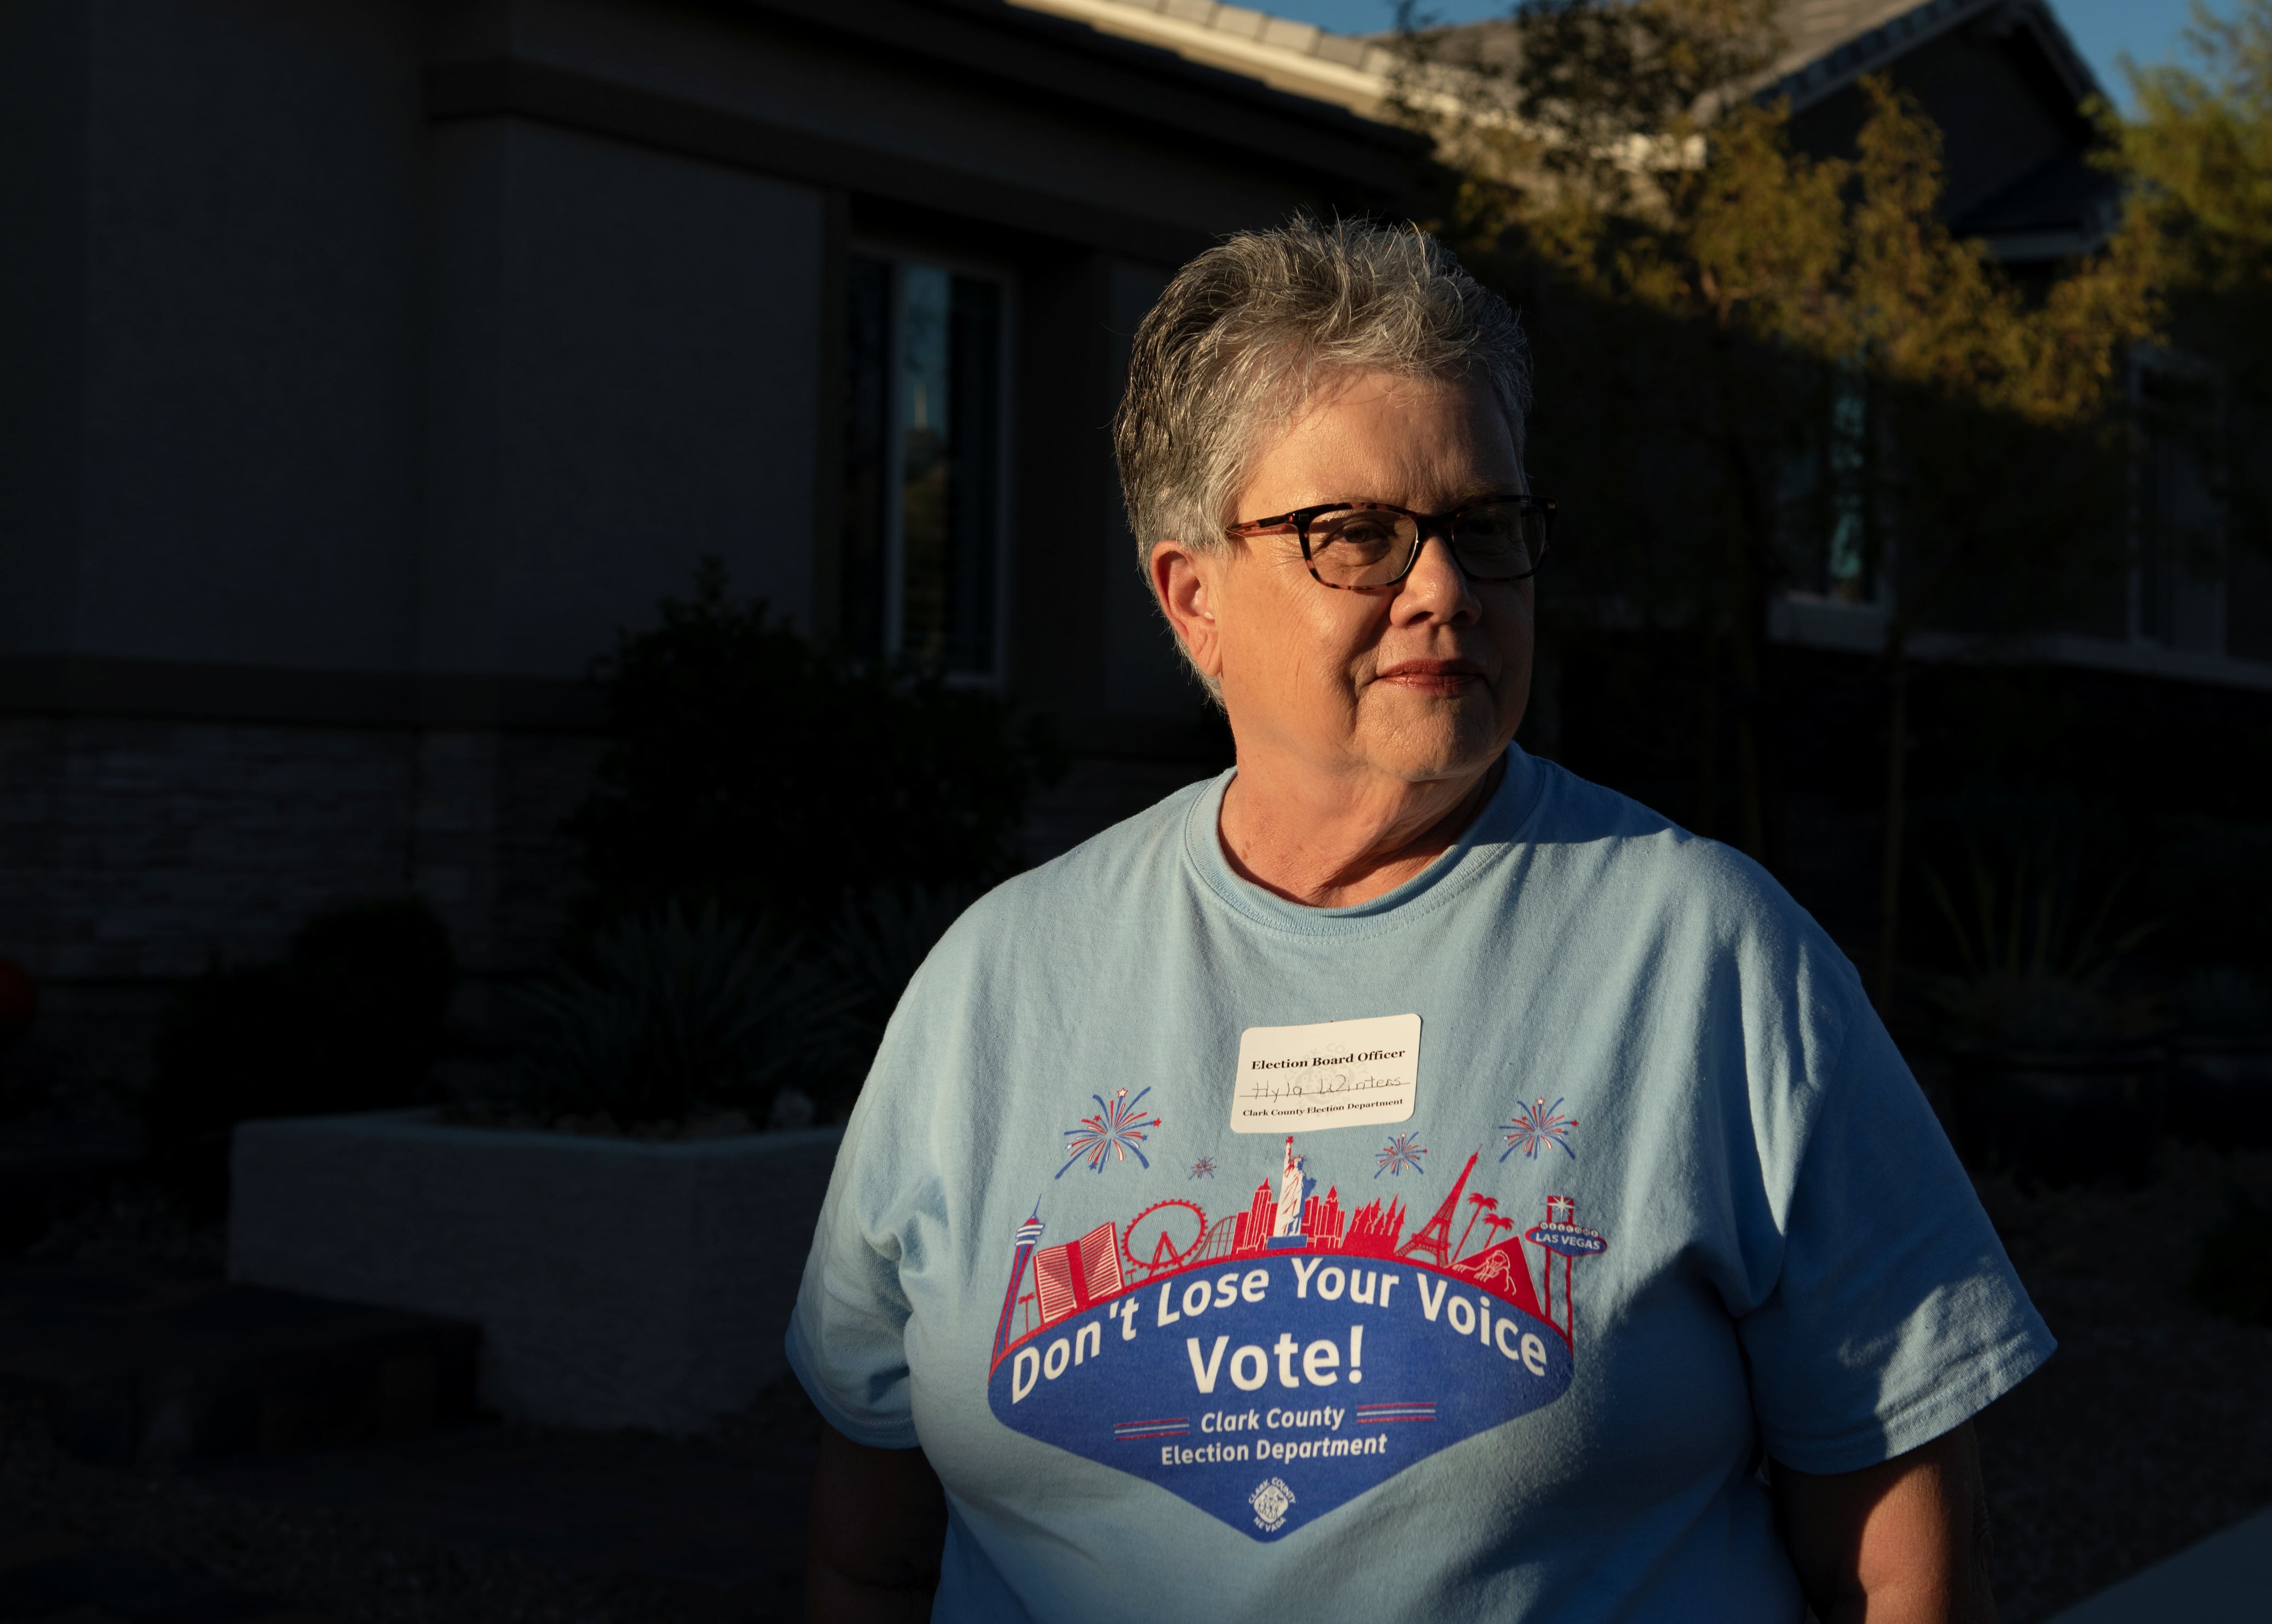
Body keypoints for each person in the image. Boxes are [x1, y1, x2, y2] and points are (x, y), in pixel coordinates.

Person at [789, 219, 2049, 1622]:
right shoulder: (995, 983)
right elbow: (872, 1548)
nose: (1441, 588)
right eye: (1359, 536)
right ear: (1191, 596)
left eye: (1485, 526)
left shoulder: (1701, 955)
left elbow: (1899, 1552)